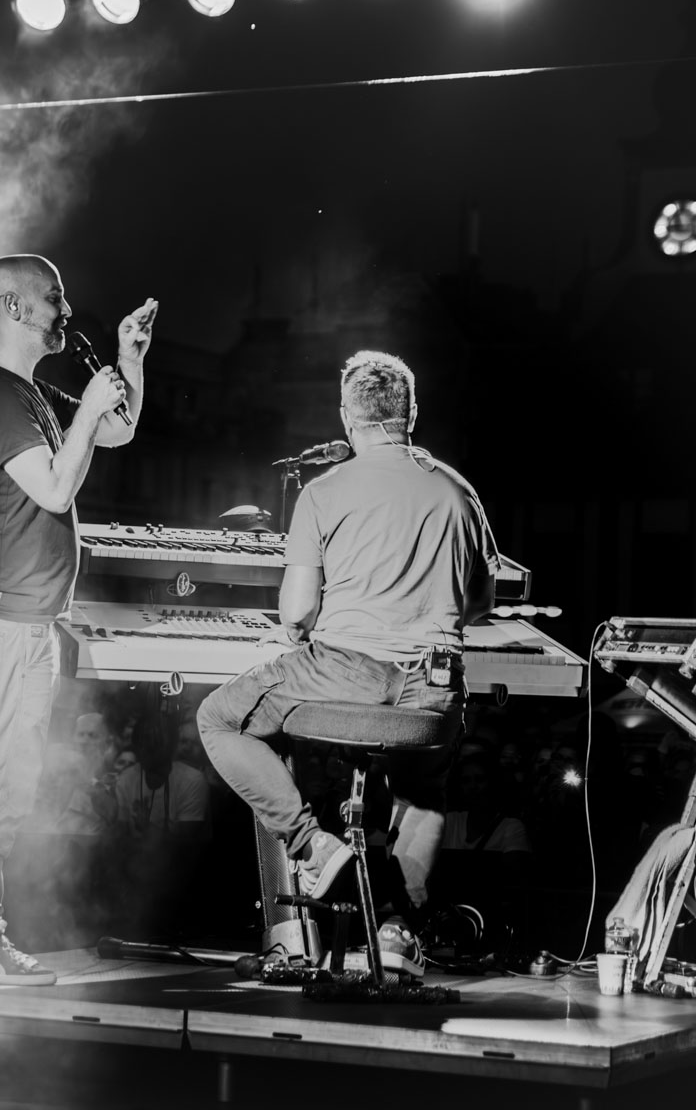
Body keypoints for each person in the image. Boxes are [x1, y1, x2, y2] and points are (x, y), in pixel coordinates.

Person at [0, 254, 156, 986]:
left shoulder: (26, 393)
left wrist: (129, 361)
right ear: (14, 308)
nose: (66, 310)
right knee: (5, 780)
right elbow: (54, 489)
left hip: (20, 619)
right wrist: (84, 413)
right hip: (7, 622)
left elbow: (115, 432)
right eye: (54, 297)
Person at [197, 350, 495, 918]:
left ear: (346, 416)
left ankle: (314, 846)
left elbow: (297, 614)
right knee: (422, 791)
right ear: (412, 413)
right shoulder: (459, 491)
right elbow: (479, 604)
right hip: (434, 687)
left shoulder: (324, 491)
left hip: (346, 669)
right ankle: (399, 932)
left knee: (217, 718)